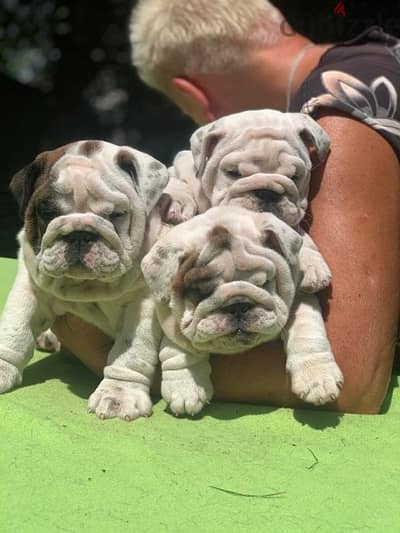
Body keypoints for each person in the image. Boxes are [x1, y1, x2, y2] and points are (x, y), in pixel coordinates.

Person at [53, 0, 400, 414]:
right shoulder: (373, 65)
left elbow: (351, 375)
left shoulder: (346, 100)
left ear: (194, 96)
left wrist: (97, 346)